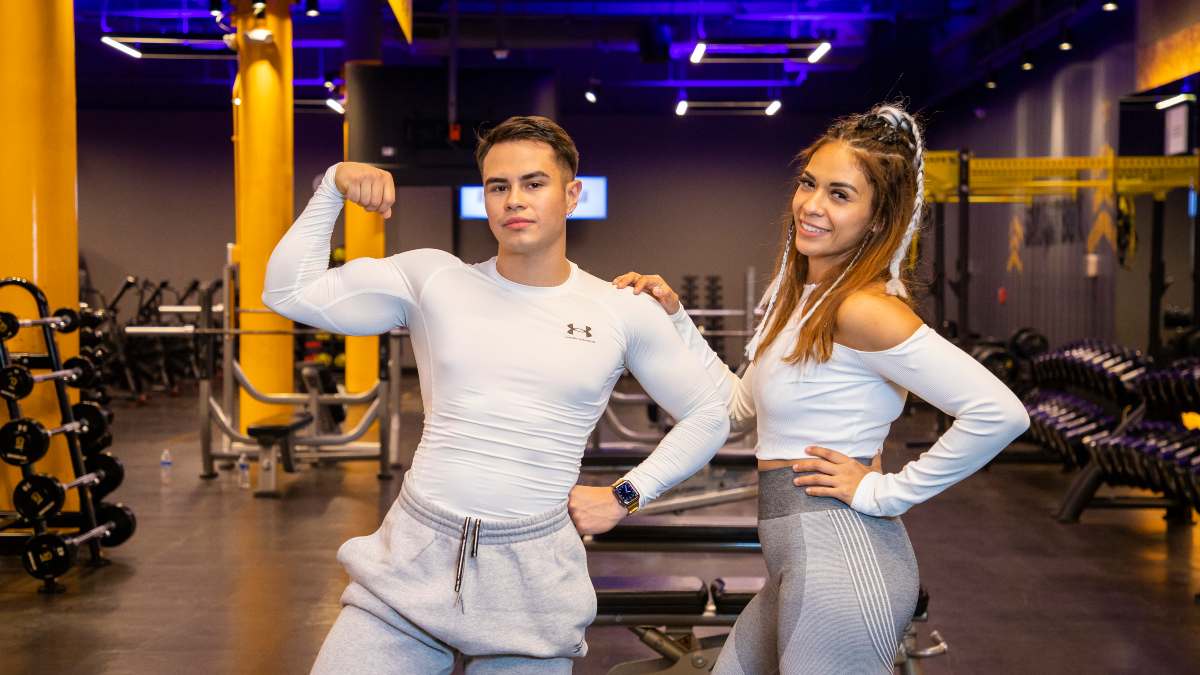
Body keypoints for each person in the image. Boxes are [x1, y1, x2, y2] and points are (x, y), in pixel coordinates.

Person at [261, 116, 730, 674]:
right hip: (413, 557)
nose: (514, 200)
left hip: (534, 573)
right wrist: (333, 187)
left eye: (534, 183)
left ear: (571, 194)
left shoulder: (620, 310)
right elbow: (287, 291)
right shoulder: (434, 278)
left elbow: (709, 412)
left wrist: (626, 495)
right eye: (497, 186)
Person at [615, 103, 1030, 674]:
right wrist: (674, 319)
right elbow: (736, 406)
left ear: (879, 219)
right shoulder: (803, 300)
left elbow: (1000, 413)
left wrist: (886, 493)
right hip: (798, 559)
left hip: (845, 561)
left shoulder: (865, 309)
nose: (812, 205)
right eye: (809, 184)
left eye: (840, 194)